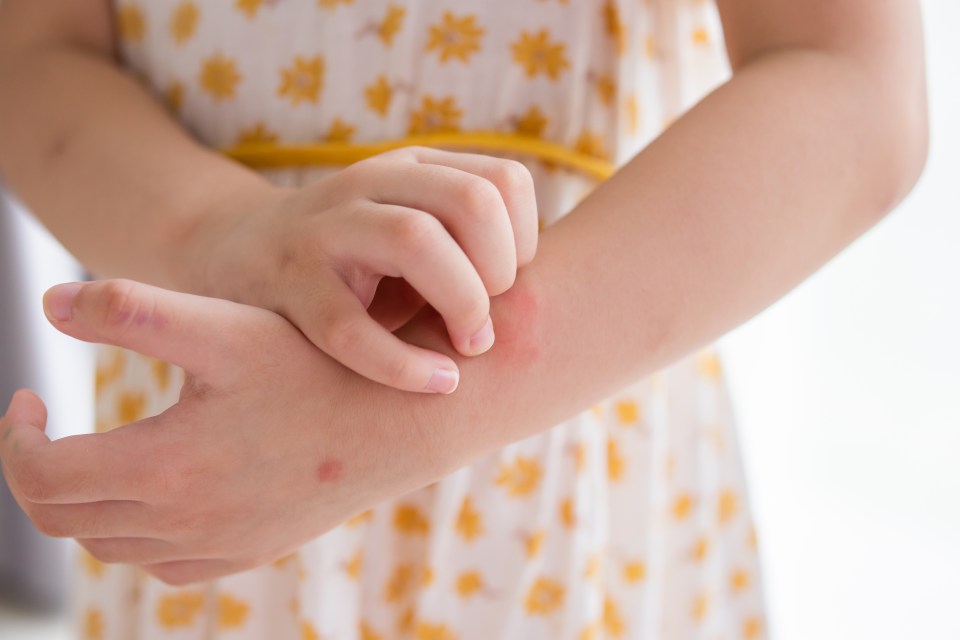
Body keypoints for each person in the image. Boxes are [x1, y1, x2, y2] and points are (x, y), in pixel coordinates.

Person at [0, 0, 927, 638]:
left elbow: (854, 87)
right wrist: (227, 233)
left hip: (562, 447)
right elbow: (33, 52)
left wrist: (377, 423)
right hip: (212, 467)